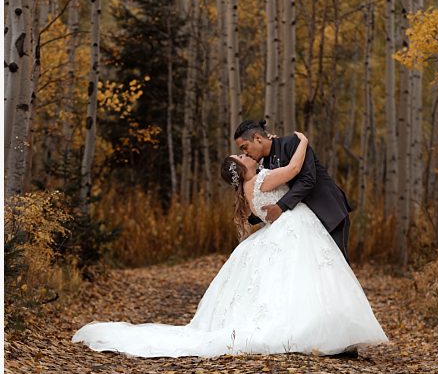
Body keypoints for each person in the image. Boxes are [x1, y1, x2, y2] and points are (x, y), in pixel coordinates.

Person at [72, 131, 388, 358]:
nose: (247, 156)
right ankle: (325, 331)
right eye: (242, 156)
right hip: (295, 226)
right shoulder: (261, 180)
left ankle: (326, 331)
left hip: (287, 228)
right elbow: (294, 171)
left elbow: (262, 212)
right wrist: (304, 139)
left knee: (297, 280)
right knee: (313, 276)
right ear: (242, 169)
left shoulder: (248, 191)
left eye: (244, 151)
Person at [233, 119, 353, 259]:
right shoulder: (263, 165)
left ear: (258, 138)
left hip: (328, 212)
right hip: (304, 225)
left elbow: (307, 180)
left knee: (336, 265)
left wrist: (280, 206)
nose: (245, 153)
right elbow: (269, 194)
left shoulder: (292, 143)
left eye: (244, 147)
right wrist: (256, 214)